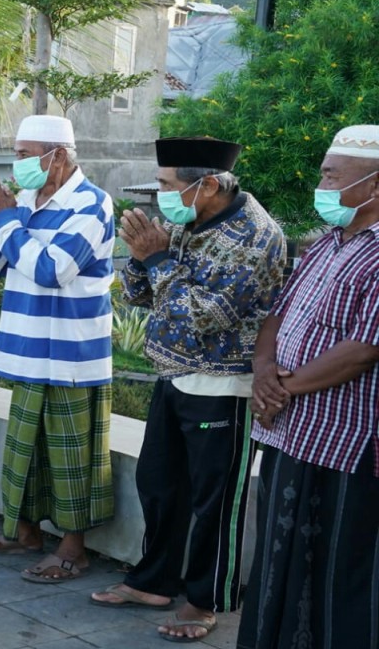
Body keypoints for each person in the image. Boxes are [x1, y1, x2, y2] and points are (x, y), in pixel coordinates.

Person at [89, 138, 285, 642]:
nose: (162, 197)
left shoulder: (255, 237)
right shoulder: (181, 221)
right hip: (172, 377)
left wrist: (156, 261)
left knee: (214, 502)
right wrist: (138, 256)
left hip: (223, 385)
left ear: (210, 185)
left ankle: (204, 602)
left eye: (168, 186)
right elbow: (137, 295)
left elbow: (204, 316)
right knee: (158, 485)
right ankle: (154, 582)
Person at [237, 125, 379, 649]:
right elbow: (278, 314)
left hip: (343, 444)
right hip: (289, 434)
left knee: (337, 575)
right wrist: (264, 370)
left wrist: (283, 389)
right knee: (279, 562)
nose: (320, 185)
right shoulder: (325, 245)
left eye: (330, 175)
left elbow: (364, 347)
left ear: (375, 186)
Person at [0, 114, 116, 584]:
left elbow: (52, 269)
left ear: (59, 157)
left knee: (70, 457)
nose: (17, 164)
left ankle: (73, 551)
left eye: (24, 155)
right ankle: (24, 533)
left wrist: (5, 222)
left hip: (71, 355)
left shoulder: (92, 204)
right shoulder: (26, 201)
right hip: (26, 349)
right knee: (24, 453)